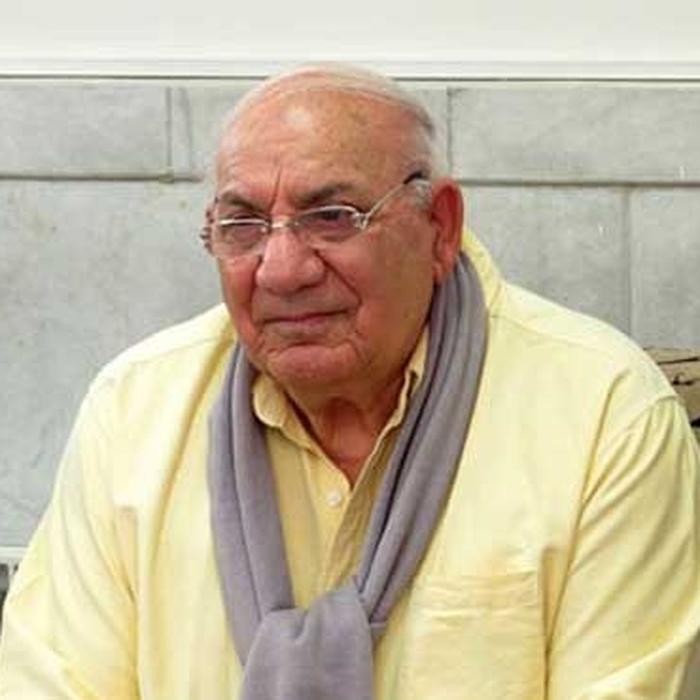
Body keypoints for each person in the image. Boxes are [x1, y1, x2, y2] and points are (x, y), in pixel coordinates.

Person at [1, 64, 699, 700]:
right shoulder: (134, 411)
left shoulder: (603, 413)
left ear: (440, 227)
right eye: (243, 225)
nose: (282, 270)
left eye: (331, 217)